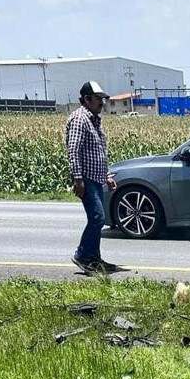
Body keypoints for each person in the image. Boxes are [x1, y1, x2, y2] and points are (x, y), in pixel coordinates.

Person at [66, 81, 118, 274]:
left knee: (97, 218)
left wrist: (106, 176)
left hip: (96, 177)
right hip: (86, 179)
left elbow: (97, 152)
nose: (102, 103)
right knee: (97, 217)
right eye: (98, 99)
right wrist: (78, 179)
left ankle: (94, 259)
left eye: (102, 99)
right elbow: (74, 151)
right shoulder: (79, 119)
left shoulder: (93, 120)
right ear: (87, 99)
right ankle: (82, 255)